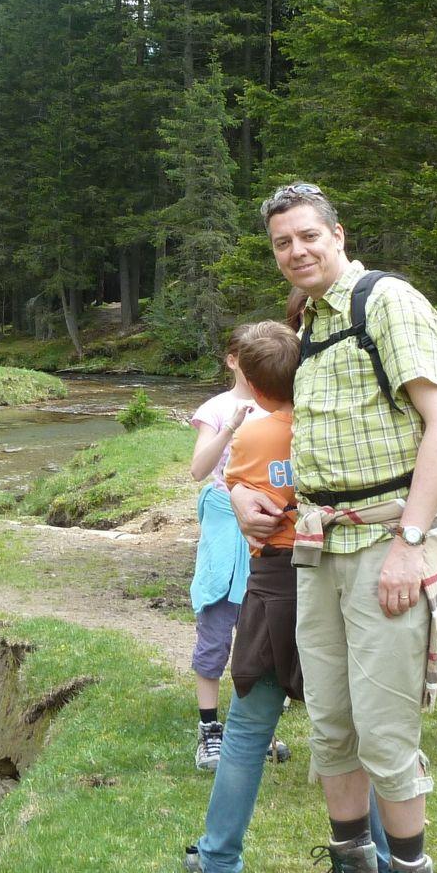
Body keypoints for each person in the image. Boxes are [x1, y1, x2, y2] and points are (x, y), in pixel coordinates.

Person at [238, 181, 437, 873]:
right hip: (317, 545)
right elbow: (316, 436)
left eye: (308, 235)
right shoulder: (309, 322)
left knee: (385, 731)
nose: (296, 251)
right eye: (282, 242)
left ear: (337, 233)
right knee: (331, 724)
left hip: (385, 544)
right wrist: (252, 499)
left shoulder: (387, 302)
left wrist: (410, 543)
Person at [185, 318, 391, 873]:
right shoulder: (331, 426)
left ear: (249, 382)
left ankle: (217, 860)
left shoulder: (252, 435)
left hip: (274, 584)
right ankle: (384, 865)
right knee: (351, 731)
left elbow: (228, 484)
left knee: (249, 727)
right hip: (336, 575)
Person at [185, 330, 262, 770]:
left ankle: (254, 728)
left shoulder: (282, 405)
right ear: (232, 360)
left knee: (263, 633)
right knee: (216, 625)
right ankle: (209, 729)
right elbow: (198, 469)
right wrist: (231, 425)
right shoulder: (214, 409)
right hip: (222, 523)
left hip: (269, 526)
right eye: (248, 358)